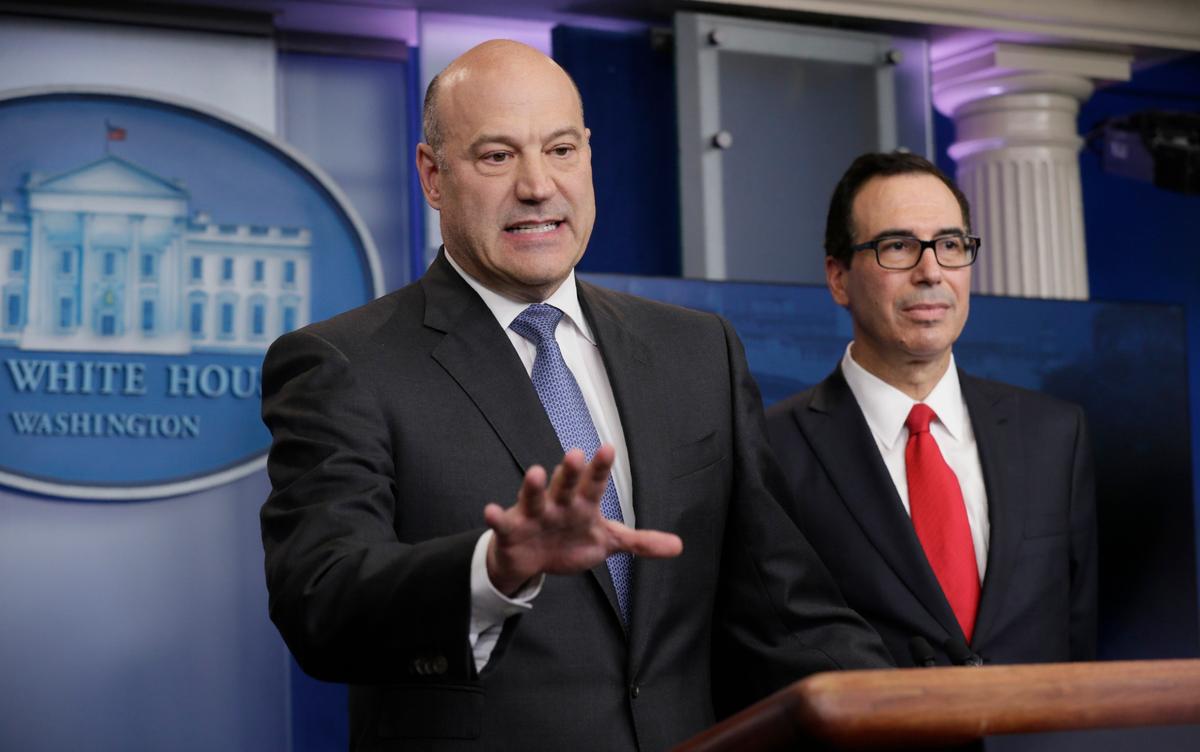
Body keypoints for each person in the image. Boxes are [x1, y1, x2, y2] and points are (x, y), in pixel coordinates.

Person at [260, 40, 890, 751]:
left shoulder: (698, 351)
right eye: (497, 157)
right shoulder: (346, 363)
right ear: (433, 177)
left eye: (560, 150)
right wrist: (493, 567)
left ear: (588, 154)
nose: (538, 185)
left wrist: (910, 709)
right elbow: (322, 601)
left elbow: (782, 603)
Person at [766, 152, 1098, 669]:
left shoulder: (1054, 434)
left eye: (950, 245)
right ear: (838, 278)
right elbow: (772, 647)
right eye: (897, 246)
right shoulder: (771, 449)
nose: (931, 272)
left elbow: (1076, 636)